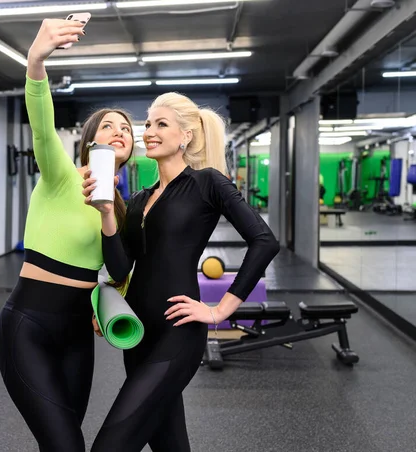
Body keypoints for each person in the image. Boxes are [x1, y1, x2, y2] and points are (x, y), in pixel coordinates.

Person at [83, 91, 280, 451]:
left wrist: (219, 311)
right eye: (147, 124)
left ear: (185, 136)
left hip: (178, 334)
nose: (149, 131)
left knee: (111, 443)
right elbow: (120, 267)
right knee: (169, 441)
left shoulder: (207, 183)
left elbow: (264, 241)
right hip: (138, 336)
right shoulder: (140, 198)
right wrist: (108, 213)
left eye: (161, 124)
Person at [0, 18, 135, 452]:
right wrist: (35, 61)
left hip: (77, 335)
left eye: (127, 130)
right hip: (27, 327)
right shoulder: (60, 176)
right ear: (89, 141)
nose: (119, 132)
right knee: (65, 446)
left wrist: (109, 212)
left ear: (130, 149)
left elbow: (118, 270)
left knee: (67, 439)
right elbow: (41, 124)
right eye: (109, 126)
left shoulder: (120, 207)